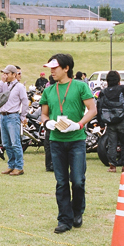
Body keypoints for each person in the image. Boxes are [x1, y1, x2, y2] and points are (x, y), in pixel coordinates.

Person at [41, 54, 96, 234]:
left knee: (78, 180)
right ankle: (64, 219)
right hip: (56, 141)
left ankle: (77, 211)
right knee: (61, 181)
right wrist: (47, 122)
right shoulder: (49, 90)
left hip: (76, 140)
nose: (52, 71)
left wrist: (79, 124)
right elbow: (44, 114)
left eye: (55, 68)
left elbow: (92, 109)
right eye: (50, 68)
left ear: (66, 68)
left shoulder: (80, 86)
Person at [0, 65, 28, 176]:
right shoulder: (4, 85)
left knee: (15, 143)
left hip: (13, 116)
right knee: (6, 143)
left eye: (7, 74)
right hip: (3, 116)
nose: (5, 76)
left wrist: (23, 116)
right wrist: (1, 82)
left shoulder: (19, 87)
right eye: (4, 73)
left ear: (14, 74)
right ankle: (11, 165)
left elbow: (25, 101)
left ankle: (19, 166)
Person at [97, 71, 124, 173]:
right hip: (121, 119)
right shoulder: (122, 88)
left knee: (112, 144)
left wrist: (101, 123)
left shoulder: (103, 92)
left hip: (109, 121)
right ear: (118, 79)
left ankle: (112, 166)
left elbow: (99, 107)